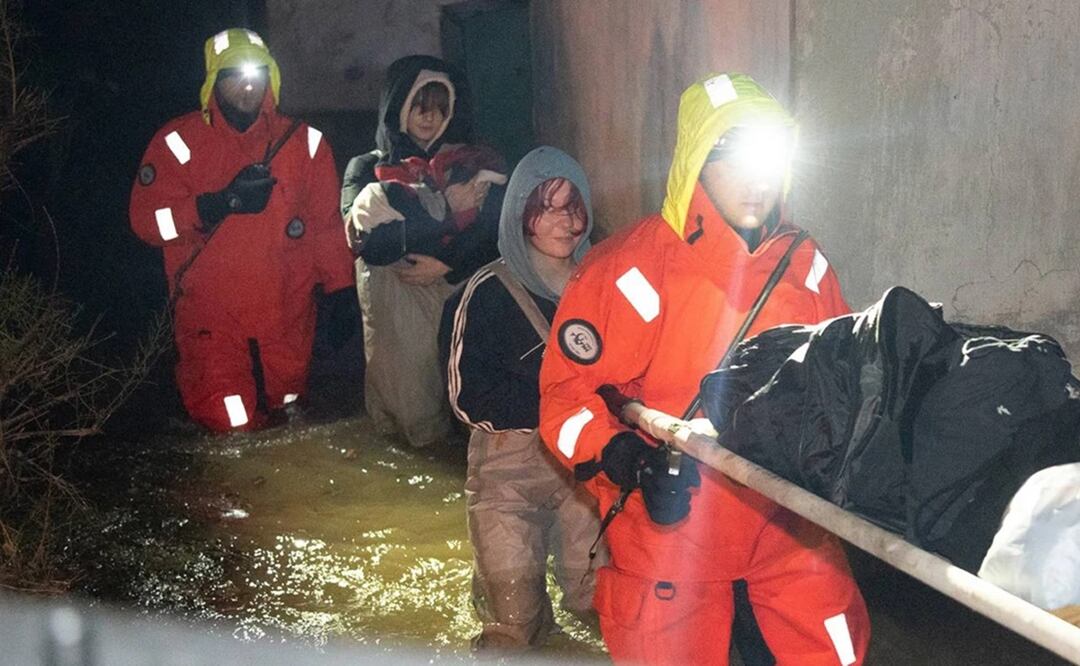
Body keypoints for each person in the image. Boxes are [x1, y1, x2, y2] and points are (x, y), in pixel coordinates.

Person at [538, 73, 871, 665]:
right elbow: (566, 399)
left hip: (790, 531)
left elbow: (845, 387)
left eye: (768, 161)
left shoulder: (806, 266)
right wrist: (623, 457)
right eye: (735, 161)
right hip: (673, 532)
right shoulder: (630, 271)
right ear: (697, 160)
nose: (757, 181)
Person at [129, 28, 354, 432]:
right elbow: (146, 221)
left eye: (256, 73)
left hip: (287, 323)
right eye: (232, 74)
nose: (247, 85)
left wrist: (342, 290)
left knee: (291, 425)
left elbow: (326, 227)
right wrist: (214, 205)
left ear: (272, 77)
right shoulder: (177, 142)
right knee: (232, 430)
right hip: (213, 322)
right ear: (213, 80)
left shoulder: (306, 144)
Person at [439, 147, 605, 652]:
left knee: (599, 604)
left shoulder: (604, 284)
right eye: (546, 208)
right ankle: (500, 597)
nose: (564, 222)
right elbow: (465, 396)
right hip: (508, 469)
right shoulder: (486, 292)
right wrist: (556, 407)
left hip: (585, 469)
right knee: (514, 625)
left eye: (573, 207)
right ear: (520, 214)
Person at [341, 55, 505, 448]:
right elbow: (373, 245)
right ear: (399, 107)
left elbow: (491, 233)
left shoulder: (470, 163)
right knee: (408, 401)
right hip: (396, 300)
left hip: (453, 286)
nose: (430, 118)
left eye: (440, 108)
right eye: (420, 106)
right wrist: (447, 211)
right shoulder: (365, 168)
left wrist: (447, 264)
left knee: (466, 386)